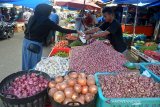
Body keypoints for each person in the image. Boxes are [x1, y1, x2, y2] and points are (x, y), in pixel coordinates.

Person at [22, 4, 82, 70]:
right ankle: (31, 76)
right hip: (35, 44)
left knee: (26, 61)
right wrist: (76, 31)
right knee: (34, 63)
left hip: (26, 42)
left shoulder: (32, 17)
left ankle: (25, 73)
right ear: (45, 12)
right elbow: (62, 30)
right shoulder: (46, 21)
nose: (50, 13)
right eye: (49, 12)